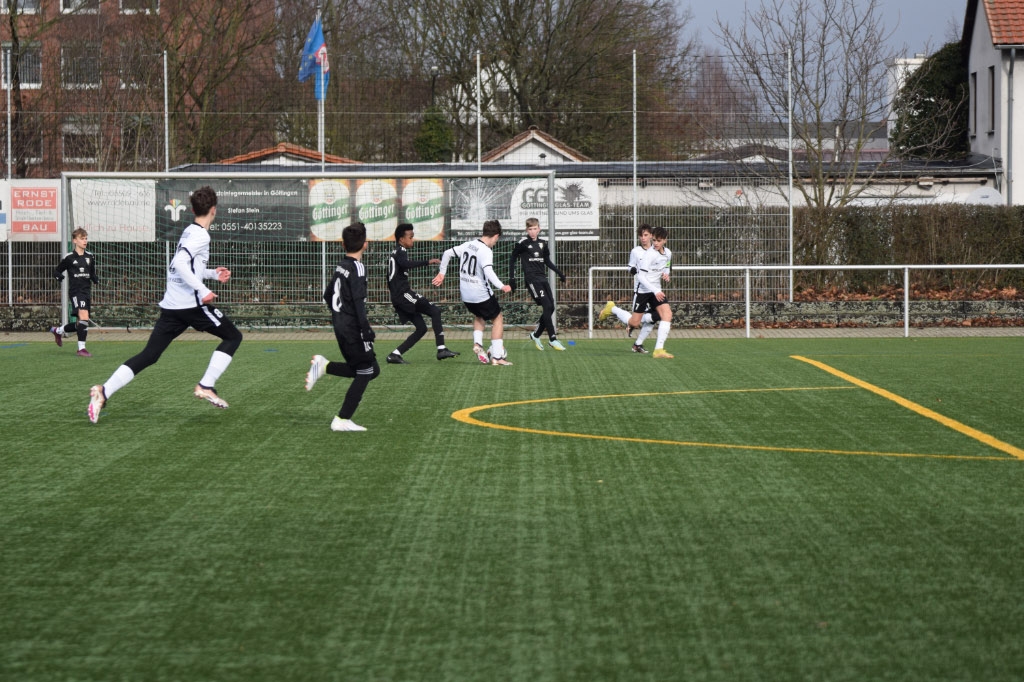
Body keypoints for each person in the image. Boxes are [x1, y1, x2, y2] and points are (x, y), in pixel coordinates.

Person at [87, 186, 243, 423]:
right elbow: (180, 263)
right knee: (233, 337)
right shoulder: (202, 235)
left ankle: (104, 391)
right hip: (189, 306)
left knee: (150, 355)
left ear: (192, 210)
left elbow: (183, 266)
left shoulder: (190, 230)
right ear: (214, 210)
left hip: (173, 306)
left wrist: (212, 274)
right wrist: (204, 290)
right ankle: (206, 385)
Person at [305, 222, 381, 432]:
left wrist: (340, 316)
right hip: (353, 328)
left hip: (341, 326)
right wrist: (365, 328)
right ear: (365, 244)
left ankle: (324, 366)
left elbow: (327, 295)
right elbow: (358, 302)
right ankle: (342, 419)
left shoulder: (341, 266)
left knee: (372, 370)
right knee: (366, 371)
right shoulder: (357, 267)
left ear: (342, 245)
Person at [432, 219, 513, 365]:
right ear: (496, 236)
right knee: (498, 319)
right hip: (480, 293)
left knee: (479, 315)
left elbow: (447, 253)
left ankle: (478, 344)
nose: (496, 242)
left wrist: (442, 273)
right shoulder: (486, 251)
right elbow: (488, 271)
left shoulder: (468, 244)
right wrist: (502, 286)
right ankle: (497, 356)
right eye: (497, 239)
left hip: (466, 295)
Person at [385, 222, 458, 364]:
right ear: (401, 239)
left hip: (400, 296)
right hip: (403, 295)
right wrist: (427, 262)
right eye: (410, 237)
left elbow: (392, 276)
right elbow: (405, 264)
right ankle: (441, 349)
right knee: (435, 311)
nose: (412, 239)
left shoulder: (396, 252)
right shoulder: (401, 251)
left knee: (421, 328)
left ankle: (395, 354)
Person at [509, 216, 567, 351]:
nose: (532, 232)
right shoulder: (522, 243)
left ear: (539, 229)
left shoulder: (543, 243)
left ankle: (536, 335)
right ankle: (552, 339)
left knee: (551, 307)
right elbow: (512, 259)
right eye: (530, 229)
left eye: (535, 229)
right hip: (532, 280)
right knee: (547, 306)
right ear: (527, 230)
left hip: (542, 279)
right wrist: (512, 279)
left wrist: (559, 273)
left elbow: (547, 261)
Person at [599, 223, 658, 353]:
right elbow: (630, 267)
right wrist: (635, 270)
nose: (643, 238)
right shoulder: (636, 251)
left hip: (654, 290)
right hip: (641, 290)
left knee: (656, 316)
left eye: (646, 235)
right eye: (641, 235)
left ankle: (637, 344)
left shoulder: (656, 250)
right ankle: (613, 308)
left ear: (651, 236)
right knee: (638, 320)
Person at [50, 228, 98, 357]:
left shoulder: (90, 256)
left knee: (80, 324)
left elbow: (92, 273)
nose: (85, 241)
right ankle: (81, 349)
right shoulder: (69, 257)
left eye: (86, 238)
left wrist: (94, 278)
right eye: (82, 239)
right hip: (76, 292)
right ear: (75, 241)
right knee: (84, 317)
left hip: (86, 291)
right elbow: (57, 271)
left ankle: (58, 330)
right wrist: (59, 276)